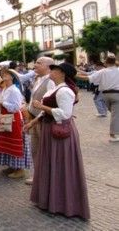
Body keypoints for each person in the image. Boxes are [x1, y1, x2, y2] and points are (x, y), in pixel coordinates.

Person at [24, 62, 90, 220]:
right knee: (50, 164)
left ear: (62, 73)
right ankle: (49, 199)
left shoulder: (65, 91)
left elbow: (65, 114)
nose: (51, 72)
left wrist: (41, 107)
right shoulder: (55, 89)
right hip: (50, 129)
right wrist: (34, 121)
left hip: (59, 132)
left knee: (61, 166)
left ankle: (62, 203)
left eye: (55, 70)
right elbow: (47, 111)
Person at [22, 56, 55, 185]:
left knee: (44, 150)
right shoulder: (38, 79)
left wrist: (37, 117)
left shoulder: (51, 81)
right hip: (34, 118)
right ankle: (37, 176)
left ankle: (47, 178)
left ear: (48, 66)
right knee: (35, 149)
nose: (35, 65)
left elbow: (50, 103)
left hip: (42, 120)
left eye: (38, 63)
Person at [0, 68, 31, 179]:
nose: (3, 75)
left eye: (6, 74)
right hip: (5, 117)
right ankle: (12, 166)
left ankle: (20, 169)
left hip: (13, 118)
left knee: (15, 142)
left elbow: (15, 107)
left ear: (12, 77)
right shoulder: (6, 88)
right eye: (2, 74)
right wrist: (0, 103)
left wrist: (2, 103)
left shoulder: (14, 90)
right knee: (7, 142)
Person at [77, 55, 119, 142]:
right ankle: (113, 135)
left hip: (105, 95)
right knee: (116, 115)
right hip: (117, 94)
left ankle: (114, 131)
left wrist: (73, 75)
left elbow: (88, 78)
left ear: (106, 62)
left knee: (115, 114)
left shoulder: (102, 71)